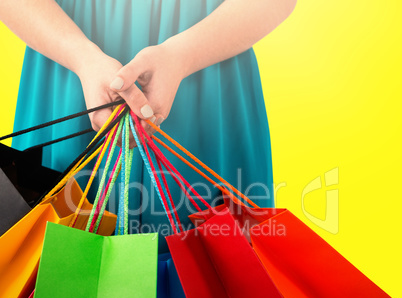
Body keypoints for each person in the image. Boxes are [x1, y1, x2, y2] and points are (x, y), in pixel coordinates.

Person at [0, 0, 297, 244]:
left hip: (208, 60)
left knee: (220, 271)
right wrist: (81, 57)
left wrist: (183, 55)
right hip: (65, 56)